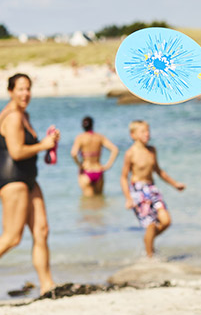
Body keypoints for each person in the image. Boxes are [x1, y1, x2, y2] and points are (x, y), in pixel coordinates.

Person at [0, 73, 60, 295]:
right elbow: (16, 151)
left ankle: (47, 286)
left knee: (42, 231)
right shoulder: (13, 116)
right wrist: (44, 145)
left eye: (28, 89)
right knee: (12, 238)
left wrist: (49, 144)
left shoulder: (24, 115)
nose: (25, 94)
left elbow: (30, 148)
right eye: (20, 89)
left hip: (29, 179)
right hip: (13, 180)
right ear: (10, 91)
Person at [120, 119, 185, 258]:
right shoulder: (130, 153)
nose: (147, 134)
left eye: (148, 131)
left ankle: (148, 241)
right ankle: (150, 257)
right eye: (143, 131)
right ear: (133, 135)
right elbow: (123, 177)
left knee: (166, 221)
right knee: (150, 224)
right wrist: (128, 198)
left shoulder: (152, 150)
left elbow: (159, 171)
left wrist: (175, 184)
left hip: (152, 188)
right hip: (138, 190)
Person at [70, 116, 119, 196]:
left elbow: (73, 153)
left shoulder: (80, 138)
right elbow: (115, 149)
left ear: (82, 126)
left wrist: (79, 165)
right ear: (92, 125)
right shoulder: (99, 137)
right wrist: (108, 165)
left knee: (88, 202)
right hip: (98, 170)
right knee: (99, 200)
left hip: (86, 171)